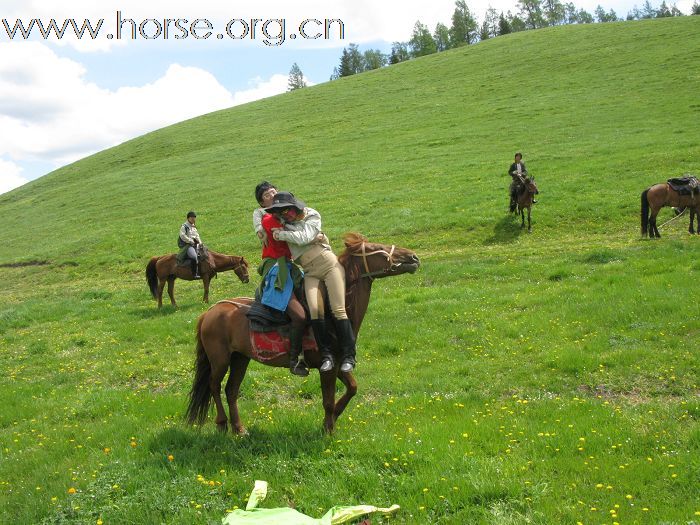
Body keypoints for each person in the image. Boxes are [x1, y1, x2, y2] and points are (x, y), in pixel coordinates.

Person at [266, 192, 357, 373]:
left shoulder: (311, 215)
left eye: (289, 210)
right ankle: (327, 356)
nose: (287, 214)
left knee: (338, 309)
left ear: (295, 206)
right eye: (282, 212)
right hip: (309, 272)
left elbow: (304, 237)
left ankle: (349, 356)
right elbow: (261, 214)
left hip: (329, 266)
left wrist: (283, 234)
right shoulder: (286, 223)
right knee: (315, 311)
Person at [255, 188, 308, 377]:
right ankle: (294, 360)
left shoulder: (287, 218)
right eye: (267, 195)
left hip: (290, 266)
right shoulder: (269, 221)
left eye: (273, 192)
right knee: (300, 316)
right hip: (277, 267)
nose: (271, 195)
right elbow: (294, 236)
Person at [253, 182, 278, 247]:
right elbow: (258, 225)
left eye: (273, 192)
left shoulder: (286, 205)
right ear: (262, 203)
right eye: (267, 195)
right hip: (271, 243)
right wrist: (261, 232)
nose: (272, 196)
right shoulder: (260, 212)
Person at [178, 211, 202, 279]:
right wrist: (190, 241)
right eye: (192, 218)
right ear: (188, 218)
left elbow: (197, 236)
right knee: (194, 257)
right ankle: (194, 274)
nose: (193, 219)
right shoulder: (184, 226)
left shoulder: (193, 227)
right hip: (188, 245)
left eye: (194, 218)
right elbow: (182, 236)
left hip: (195, 244)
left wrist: (200, 243)